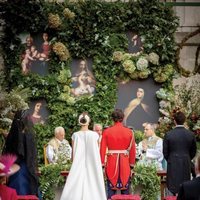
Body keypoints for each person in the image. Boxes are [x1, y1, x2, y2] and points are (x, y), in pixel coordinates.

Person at [60, 112, 107, 200]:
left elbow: (73, 153)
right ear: (89, 122)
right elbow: (97, 151)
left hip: (78, 163)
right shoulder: (95, 135)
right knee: (94, 183)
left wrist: (73, 162)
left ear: (79, 122)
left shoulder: (75, 135)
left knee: (74, 183)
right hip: (93, 164)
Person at [2, 110, 40, 197]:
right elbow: (31, 154)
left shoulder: (11, 136)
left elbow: (8, 154)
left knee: (16, 193)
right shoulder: (29, 136)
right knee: (25, 193)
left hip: (14, 170)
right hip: (26, 169)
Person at [100, 109, 136, 199]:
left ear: (112, 119)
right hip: (125, 164)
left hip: (111, 163)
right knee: (126, 193)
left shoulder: (107, 132)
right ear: (123, 118)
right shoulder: (129, 132)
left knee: (111, 193)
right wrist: (131, 166)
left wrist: (102, 165)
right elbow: (132, 150)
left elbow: (102, 150)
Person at [163, 111, 197, 195]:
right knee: (185, 187)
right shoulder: (191, 134)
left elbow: (165, 152)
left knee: (172, 189)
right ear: (184, 120)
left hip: (172, 163)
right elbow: (193, 151)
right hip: (186, 163)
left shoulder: (169, 134)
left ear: (174, 121)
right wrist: (187, 157)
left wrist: (171, 158)